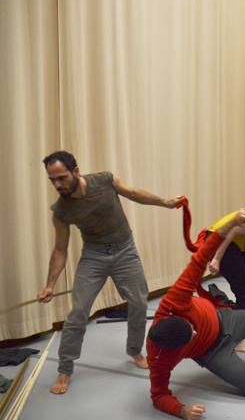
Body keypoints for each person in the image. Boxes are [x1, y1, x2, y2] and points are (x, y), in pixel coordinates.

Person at [37, 151, 185, 395]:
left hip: (124, 249)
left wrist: (165, 202)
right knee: (78, 313)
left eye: (61, 178)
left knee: (138, 302)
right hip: (93, 256)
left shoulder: (104, 180)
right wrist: (50, 285)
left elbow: (134, 193)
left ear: (76, 171)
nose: (57, 185)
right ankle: (65, 369)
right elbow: (60, 250)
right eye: (52, 180)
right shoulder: (61, 211)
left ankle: (134, 350)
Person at [147, 209, 245, 420]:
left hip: (225, 319)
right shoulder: (159, 358)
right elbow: (158, 396)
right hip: (212, 352)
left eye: (191, 328)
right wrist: (182, 411)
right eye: (190, 337)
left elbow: (198, 260)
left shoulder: (173, 301)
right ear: (173, 349)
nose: (195, 332)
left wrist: (226, 227)